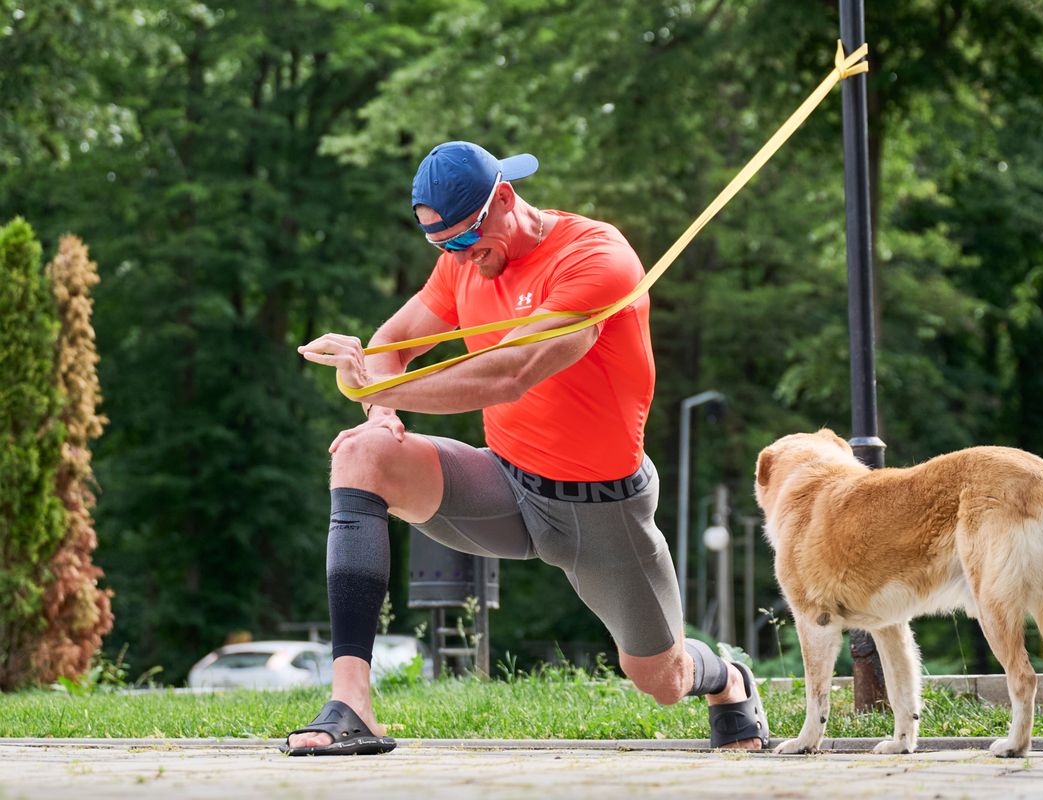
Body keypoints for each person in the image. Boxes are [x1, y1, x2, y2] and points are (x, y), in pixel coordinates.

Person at [284, 141, 768, 755]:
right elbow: (395, 342)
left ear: (505, 200)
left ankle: (727, 677)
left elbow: (508, 373)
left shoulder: (595, 258)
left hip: (602, 511)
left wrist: (375, 382)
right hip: (505, 486)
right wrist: (379, 410)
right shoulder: (461, 261)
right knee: (359, 455)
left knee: (660, 678)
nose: (461, 258)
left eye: (466, 241)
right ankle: (351, 704)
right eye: (443, 247)